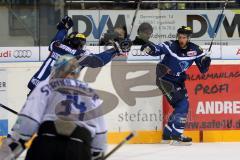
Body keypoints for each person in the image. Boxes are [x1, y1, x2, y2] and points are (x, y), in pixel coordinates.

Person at [0, 53, 128, 160]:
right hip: (79, 148)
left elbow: (28, 121)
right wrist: (96, 154)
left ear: (58, 69)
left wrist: (12, 146)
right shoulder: (91, 93)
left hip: (47, 145)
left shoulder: (47, 85)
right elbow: (100, 133)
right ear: (77, 73)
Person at [140, 26, 211, 146]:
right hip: (164, 78)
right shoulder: (171, 45)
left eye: (184, 37)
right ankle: (177, 136)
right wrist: (148, 47)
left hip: (179, 80)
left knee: (181, 106)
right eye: (179, 37)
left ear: (188, 38)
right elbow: (157, 50)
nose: (181, 39)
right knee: (183, 104)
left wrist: (206, 60)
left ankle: (167, 134)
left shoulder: (195, 50)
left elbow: (203, 70)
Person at [28, 16, 131, 95]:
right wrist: (116, 50)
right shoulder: (79, 55)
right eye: (80, 42)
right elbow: (98, 61)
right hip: (52, 96)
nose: (81, 45)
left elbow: (59, 35)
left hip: (35, 87)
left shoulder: (56, 45)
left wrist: (64, 28)